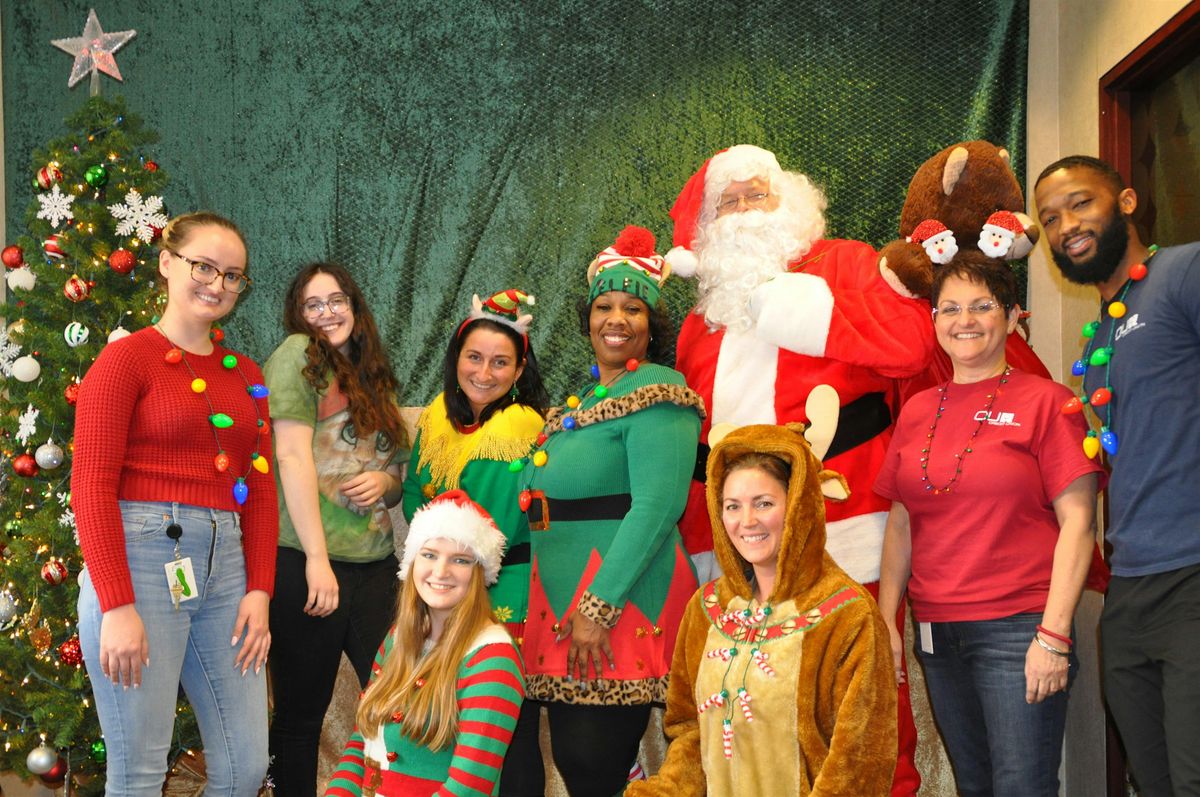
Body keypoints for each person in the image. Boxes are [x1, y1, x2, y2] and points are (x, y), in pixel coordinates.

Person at [665, 144, 931, 794]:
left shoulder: (842, 264)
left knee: (860, 707)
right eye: (729, 201)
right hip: (737, 549)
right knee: (753, 717)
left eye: (759, 194)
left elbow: (910, 343)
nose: (745, 209)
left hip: (844, 528)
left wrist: (797, 310)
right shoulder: (699, 323)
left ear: (791, 202)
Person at [874, 253, 1104, 796]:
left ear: (1012, 315)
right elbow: (901, 522)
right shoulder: (916, 409)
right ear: (933, 321)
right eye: (950, 308)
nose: (965, 320)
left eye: (982, 306)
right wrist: (887, 620)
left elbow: (1079, 522)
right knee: (973, 786)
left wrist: (1053, 634)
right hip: (936, 634)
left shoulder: (1050, 403)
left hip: (1019, 628)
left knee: (1021, 786)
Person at [72, 211, 276, 795]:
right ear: (166, 263)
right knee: (138, 771)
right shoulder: (123, 361)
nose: (217, 283)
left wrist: (259, 590)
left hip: (228, 569)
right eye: (204, 266)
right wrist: (116, 604)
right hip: (138, 562)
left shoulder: (248, 376)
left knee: (243, 771)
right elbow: (89, 484)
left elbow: (260, 489)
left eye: (232, 275)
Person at [516, 226, 705, 797]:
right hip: (562, 598)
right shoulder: (587, 398)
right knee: (584, 765)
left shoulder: (660, 391)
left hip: (618, 599)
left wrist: (599, 607)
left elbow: (657, 507)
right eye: (603, 306)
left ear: (653, 324)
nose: (615, 318)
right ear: (587, 319)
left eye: (632, 307)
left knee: (589, 759)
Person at [1035, 155, 1200, 797]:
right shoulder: (1095, 341)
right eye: (1050, 218)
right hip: (1129, 590)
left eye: (1080, 203)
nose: (1066, 225)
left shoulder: (1183, 272)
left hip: (1193, 576)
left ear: (1126, 201)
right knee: (1150, 781)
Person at [628, 423, 898, 797]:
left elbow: (859, 763)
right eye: (732, 506)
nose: (747, 521)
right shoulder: (707, 609)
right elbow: (691, 733)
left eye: (764, 503)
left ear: (798, 506)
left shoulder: (846, 614)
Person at [264, 262, 409, 796]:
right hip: (308, 564)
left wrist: (382, 483)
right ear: (298, 315)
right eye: (313, 304)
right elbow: (292, 458)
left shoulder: (371, 371)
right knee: (302, 718)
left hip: (375, 567)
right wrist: (316, 561)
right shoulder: (297, 358)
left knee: (402, 701)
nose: (327, 313)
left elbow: (395, 475)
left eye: (337, 300)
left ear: (355, 305)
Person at [401, 287, 548, 796]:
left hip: (504, 593)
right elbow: (413, 493)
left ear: (519, 369)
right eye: (475, 358)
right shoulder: (435, 421)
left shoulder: (528, 428)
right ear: (457, 357)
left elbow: (512, 518)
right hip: (444, 589)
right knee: (455, 724)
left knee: (508, 729)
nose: (485, 373)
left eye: (500, 362)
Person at [324, 490, 525, 797]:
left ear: (479, 572)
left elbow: (467, 789)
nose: (440, 572)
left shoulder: (493, 659)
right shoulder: (399, 638)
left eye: (460, 560)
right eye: (429, 555)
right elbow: (361, 744)